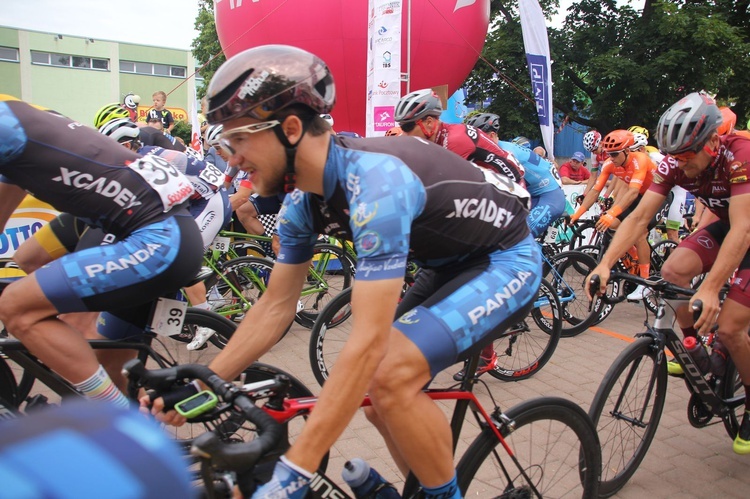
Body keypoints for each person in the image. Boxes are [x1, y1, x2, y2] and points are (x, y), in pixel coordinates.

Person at [148, 45, 540, 499]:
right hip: (443, 266)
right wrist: (206, 380)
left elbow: (368, 341)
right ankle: (427, 489)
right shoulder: (302, 203)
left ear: (290, 129)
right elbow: (275, 307)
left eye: (238, 140)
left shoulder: (376, 185)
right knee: (380, 400)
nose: (231, 159)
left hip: (505, 259)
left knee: (389, 373)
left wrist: (297, 467)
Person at [0, 94, 203, 408]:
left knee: (16, 306)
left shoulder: (6, 126)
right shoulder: (14, 121)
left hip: (156, 239)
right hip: (163, 233)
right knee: (111, 364)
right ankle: (139, 438)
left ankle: (118, 417)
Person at [586, 91, 750, 454]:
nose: (677, 164)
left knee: (732, 326)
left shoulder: (740, 153)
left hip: (745, 225)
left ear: (711, 143)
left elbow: (743, 229)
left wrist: (709, 288)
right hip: (728, 222)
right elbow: (641, 218)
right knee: (674, 270)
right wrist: (605, 264)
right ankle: (696, 349)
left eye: (685, 156)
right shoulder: (676, 163)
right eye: (672, 156)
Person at [570, 129, 659, 301]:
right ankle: (633, 258)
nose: (612, 158)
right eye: (609, 154)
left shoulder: (639, 160)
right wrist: (577, 213)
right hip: (641, 195)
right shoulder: (611, 164)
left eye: (616, 154)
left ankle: (645, 282)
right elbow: (595, 190)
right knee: (613, 225)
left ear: (627, 151)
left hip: (657, 196)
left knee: (639, 233)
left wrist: (611, 213)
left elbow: (632, 193)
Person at [465, 112, 565, 238]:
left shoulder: (506, 153)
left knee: (518, 238)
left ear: (491, 135)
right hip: (533, 195)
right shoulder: (493, 151)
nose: (473, 144)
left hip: (550, 197)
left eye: (476, 139)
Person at [394, 89, 524, 184]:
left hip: (513, 192)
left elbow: (440, 184)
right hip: (490, 188)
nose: (403, 133)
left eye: (407, 127)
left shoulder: (455, 140)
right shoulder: (439, 136)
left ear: (428, 122)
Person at [582, 130, 608, 196]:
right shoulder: (594, 154)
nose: (593, 153)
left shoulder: (609, 150)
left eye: (595, 150)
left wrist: (606, 195)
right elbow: (593, 176)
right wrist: (584, 194)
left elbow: (617, 177)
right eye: (591, 151)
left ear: (601, 143)